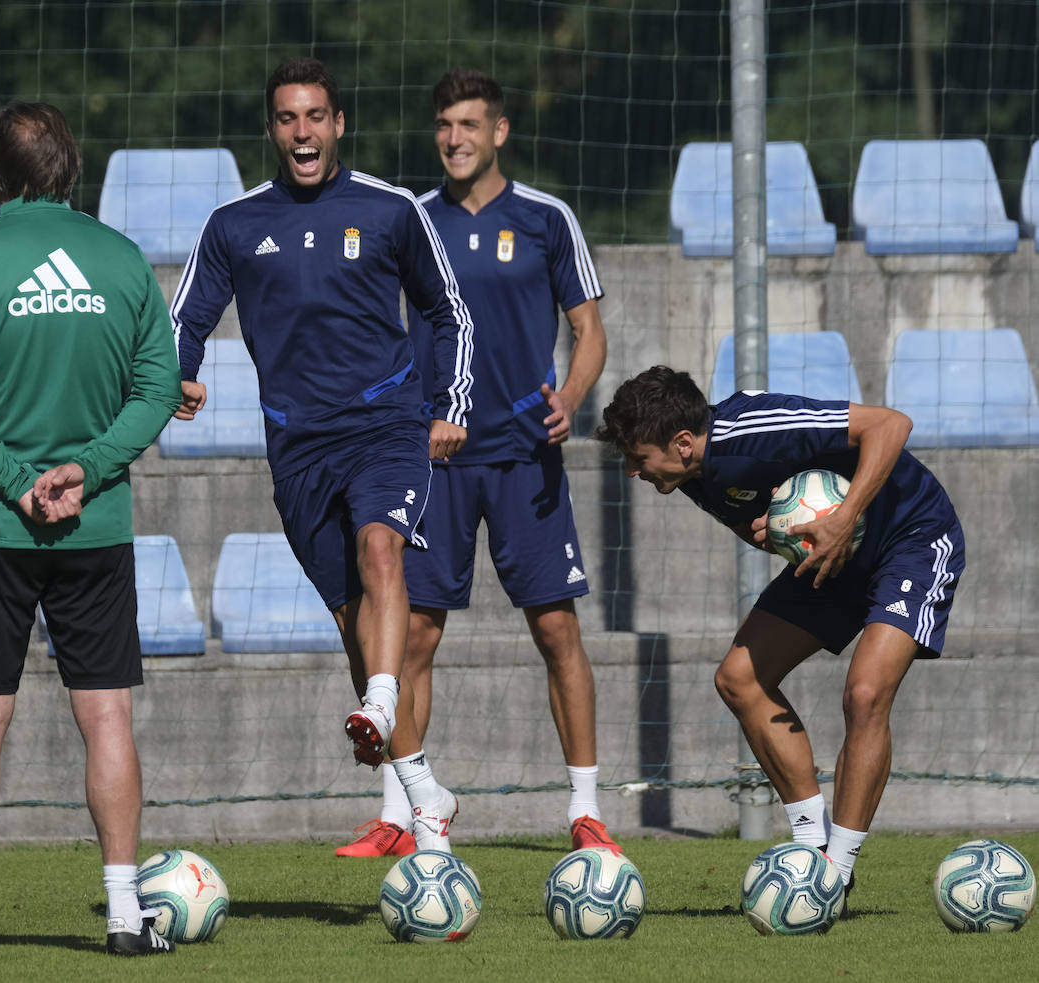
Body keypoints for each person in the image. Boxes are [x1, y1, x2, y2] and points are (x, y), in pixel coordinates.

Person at [170, 57, 474, 852]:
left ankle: (379, 700)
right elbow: (185, 319)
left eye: (314, 117)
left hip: (386, 428)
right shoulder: (233, 224)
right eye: (286, 119)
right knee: (352, 621)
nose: (301, 132)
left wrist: (449, 404)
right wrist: (180, 376)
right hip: (297, 448)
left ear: (339, 124)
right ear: (272, 129)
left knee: (383, 549)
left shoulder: (391, 210)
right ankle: (425, 799)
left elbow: (450, 313)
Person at [0, 102, 180, 959]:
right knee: (107, 717)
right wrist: (87, 470)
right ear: (73, 165)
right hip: (95, 524)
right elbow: (157, 390)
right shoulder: (123, 259)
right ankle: (122, 916)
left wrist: (17, 482)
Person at [335, 68, 620, 859]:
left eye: (468, 124)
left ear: (499, 132)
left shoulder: (545, 218)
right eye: (443, 125)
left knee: (557, 629)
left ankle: (587, 811)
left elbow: (589, 328)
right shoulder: (409, 220)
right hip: (432, 458)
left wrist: (571, 391)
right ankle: (403, 813)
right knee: (414, 637)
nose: (453, 138)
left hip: (526, 456)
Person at [594, 365, 966, 900]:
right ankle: (812, 850)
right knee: (739, 678)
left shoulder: (755, 429)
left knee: (864, 694)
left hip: (911, 536)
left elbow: (890, 424)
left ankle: (835, 873)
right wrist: (779, 534)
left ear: (680, 443)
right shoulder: (691, 477)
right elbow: (759, 525)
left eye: (637, 457)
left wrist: (841, 520)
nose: (632, 471)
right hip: (830, 555)